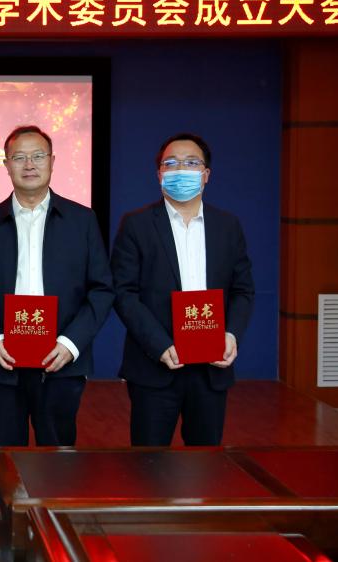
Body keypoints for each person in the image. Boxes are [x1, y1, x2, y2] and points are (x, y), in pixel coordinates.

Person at [0, 125, 113, 447]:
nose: (29, 164)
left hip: (61, 361)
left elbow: (102, 289)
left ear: (52, 161)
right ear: (6, 165)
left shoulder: (82, 220)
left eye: (38, 156)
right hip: (2, 362)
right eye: (19, 157)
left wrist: (71, 343)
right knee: (6, 458)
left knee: (59, 459)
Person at [111, 132, 254, 446]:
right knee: (148, 463)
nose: (180, 170)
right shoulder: (136, 225)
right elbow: (123, 293)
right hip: (155, 366)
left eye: (191, 163)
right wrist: (160, 345)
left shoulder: (227, 226)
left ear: (206, 174)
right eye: (171, 163)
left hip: (211, 368)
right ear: (159, 174)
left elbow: (243, 290)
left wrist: (231, 335)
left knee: (206, 462)